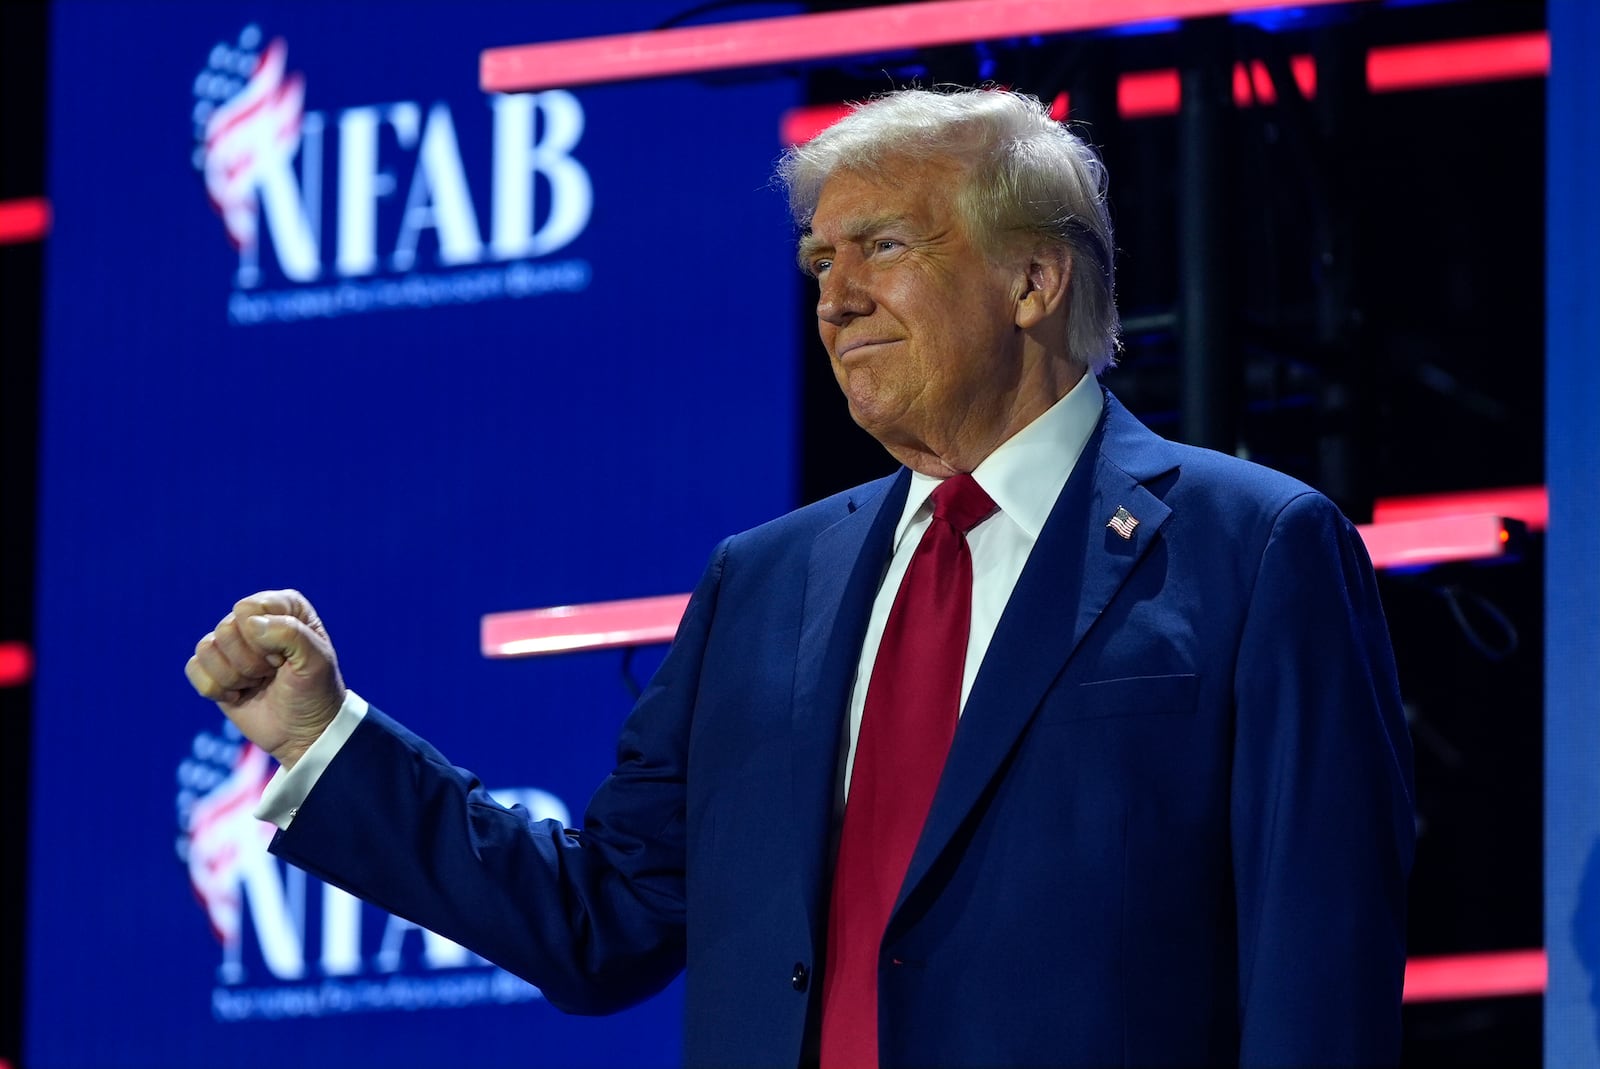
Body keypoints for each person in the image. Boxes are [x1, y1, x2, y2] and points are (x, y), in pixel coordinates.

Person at [186, 87, 1414, 1068]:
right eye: (819, 261)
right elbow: (601, 916)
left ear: (1033, 280)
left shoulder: (1252, 545)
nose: (834, 297)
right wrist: (322, 739)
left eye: (882, 247)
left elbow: (1319, 965)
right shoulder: (764, 582)